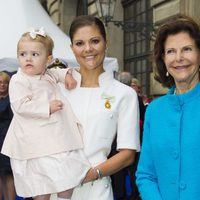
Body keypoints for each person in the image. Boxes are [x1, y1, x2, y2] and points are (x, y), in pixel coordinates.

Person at [1, 28, 90, 200]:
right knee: (39, 186)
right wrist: (46, 107)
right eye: (23, 54)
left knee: (67, 176)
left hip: (53, 139)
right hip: (32, 141)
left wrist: (67, 76)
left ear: (48, 60)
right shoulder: (19, 79)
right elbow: (20, 106)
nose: (28, 58)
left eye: (35, 54)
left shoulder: (48, 73)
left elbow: (58, 72)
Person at [59, 15, 140, 200]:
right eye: (80, 43)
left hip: (97, 189)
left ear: (106, 43)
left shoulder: (124, 94)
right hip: (56, 188)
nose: (88, 49)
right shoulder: (58, 89)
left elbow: (127, 154)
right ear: (72, 48)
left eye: (94, 41)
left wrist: (90, 175)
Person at [136, 15, 200, 200]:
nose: (179, 58)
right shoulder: (154, 111)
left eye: (187, 49)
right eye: (171, 51)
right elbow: (146, 175)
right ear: (163, 59)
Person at [0, 71, 16, 200]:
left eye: (5, 82)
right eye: (0, 82)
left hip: (7, 141)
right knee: (1, 175)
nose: (2, 85)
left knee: (8, 175)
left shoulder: (11, 100)